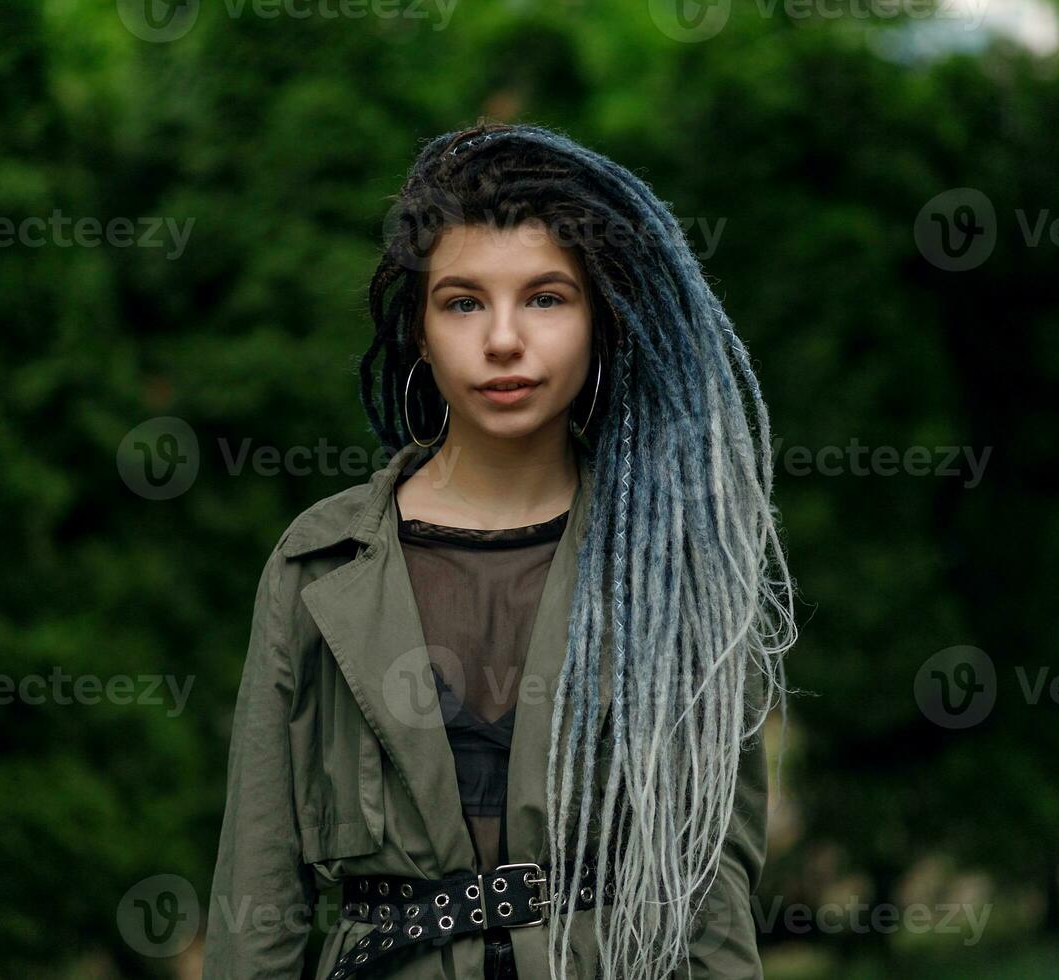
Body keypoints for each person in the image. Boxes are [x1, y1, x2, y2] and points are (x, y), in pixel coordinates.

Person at [204, 121, 796, 980]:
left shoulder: (674, 569)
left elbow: (712, 892)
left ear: (603, 319)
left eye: (546, 297)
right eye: (464, 301)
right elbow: (258, 890)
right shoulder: (316, 565)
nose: (504, 339)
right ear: (418, 326)